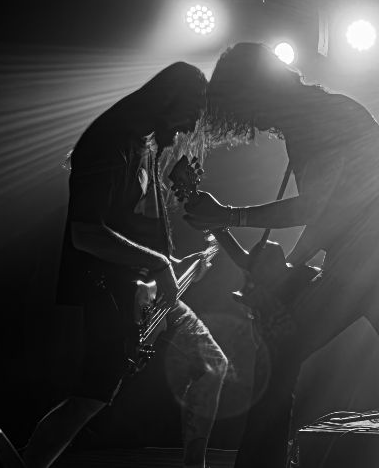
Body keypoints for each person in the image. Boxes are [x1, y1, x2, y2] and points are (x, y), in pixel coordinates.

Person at [183, 43, 379, 468]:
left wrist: (230, 215)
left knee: (279, 361)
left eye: (248, 108)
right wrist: (287, 266)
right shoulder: (321, 112)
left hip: (362, 271)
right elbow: (336, 211)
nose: (254, 122)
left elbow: (316, 207)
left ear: (256, 91)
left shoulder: (316, 120)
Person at [22, 62, 228, 468]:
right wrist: (159, 262)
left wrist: (174, 262)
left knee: (211, 365)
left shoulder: (145, 145)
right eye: (189, 112)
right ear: (167, 100)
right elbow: (86, 233)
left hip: (144, 292)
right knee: (90, 397)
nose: (190, 126)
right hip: (108, 292)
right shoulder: (109, 141)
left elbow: (132, 232)